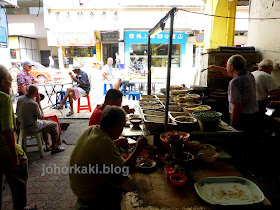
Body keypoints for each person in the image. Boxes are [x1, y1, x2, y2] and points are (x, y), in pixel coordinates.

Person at [70, 106, 148, 209]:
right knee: (129, 191)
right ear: (114, 126)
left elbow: (97, 148)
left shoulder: (90, 129)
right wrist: (138, 148)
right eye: (122, 127)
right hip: (88, 193)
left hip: (77, 186)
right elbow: (125, 170)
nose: (121, 131)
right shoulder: (104, 142)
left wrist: (114, 143)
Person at [0, 65, 37, 210]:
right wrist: (14, 157)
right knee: (20, 168)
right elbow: (8, 131)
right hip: (3, 148)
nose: (11, 87)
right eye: (10, 83)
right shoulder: (4, 99)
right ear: (3, 82)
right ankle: (21, 207)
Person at [207, 54, 258, 133]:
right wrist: (216, 68)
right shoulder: (249, 75)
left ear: (231, 66)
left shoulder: (234, 82)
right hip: (253, 116)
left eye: (227, 66)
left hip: (242, 118)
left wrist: (232, 126)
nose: (226, 68)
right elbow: (231, 73)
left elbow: (237, 106)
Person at [16, 85, 65, 154]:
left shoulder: (20, 99)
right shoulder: (33, 104)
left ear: (27, 91)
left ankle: (48, 144)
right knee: (54, 125)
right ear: (37, 93)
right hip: (32, 127)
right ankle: (55, 147)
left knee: (45, 123)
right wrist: (38, 102)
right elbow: (41, 116)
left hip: (22, 126)